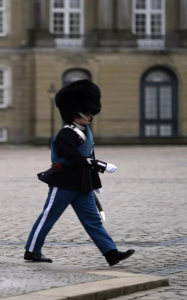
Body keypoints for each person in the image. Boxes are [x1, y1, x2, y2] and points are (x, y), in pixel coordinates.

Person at [24, 80, 135, 266]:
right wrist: (102, 165)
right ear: (75, 113)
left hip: (82, 184)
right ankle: (32, 251)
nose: (90, 115)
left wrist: (96, 184)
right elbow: (74, 157)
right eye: (87, 112)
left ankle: (111, 253)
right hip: (64, 183)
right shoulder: (66, 134)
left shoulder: (86, 133)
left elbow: (89, 157)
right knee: (48, 218)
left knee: (93, 222)